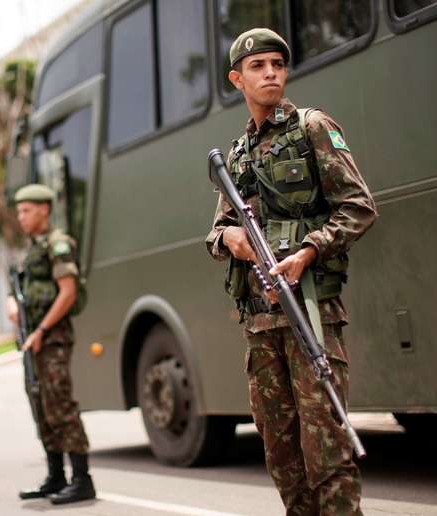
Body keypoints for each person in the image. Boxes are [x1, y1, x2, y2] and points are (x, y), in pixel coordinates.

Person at [205, 28, 377, 515]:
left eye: (278, 64)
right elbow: (216, 232)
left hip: (312, 316)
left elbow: (358, 207)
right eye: (258, 67)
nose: (271, 74)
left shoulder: (312, 128)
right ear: (237, 79)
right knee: (282, 458)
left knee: (327, 453)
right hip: (260, 326)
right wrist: (231, 240)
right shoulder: (236, 156)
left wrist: (307, 251)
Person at [8, 184, 96, 505]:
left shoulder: (58, 244)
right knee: (41, 405)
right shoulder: (32, 249)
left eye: (27, 210)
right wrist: (12, 304)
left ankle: (82, 480)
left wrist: (42, 330)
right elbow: (24, 291)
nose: (21, 217)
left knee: (60, 405)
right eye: (19, 211)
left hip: (52, 338)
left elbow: (68, 291)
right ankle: (55, 475)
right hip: (33, 340)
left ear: (44, 210)